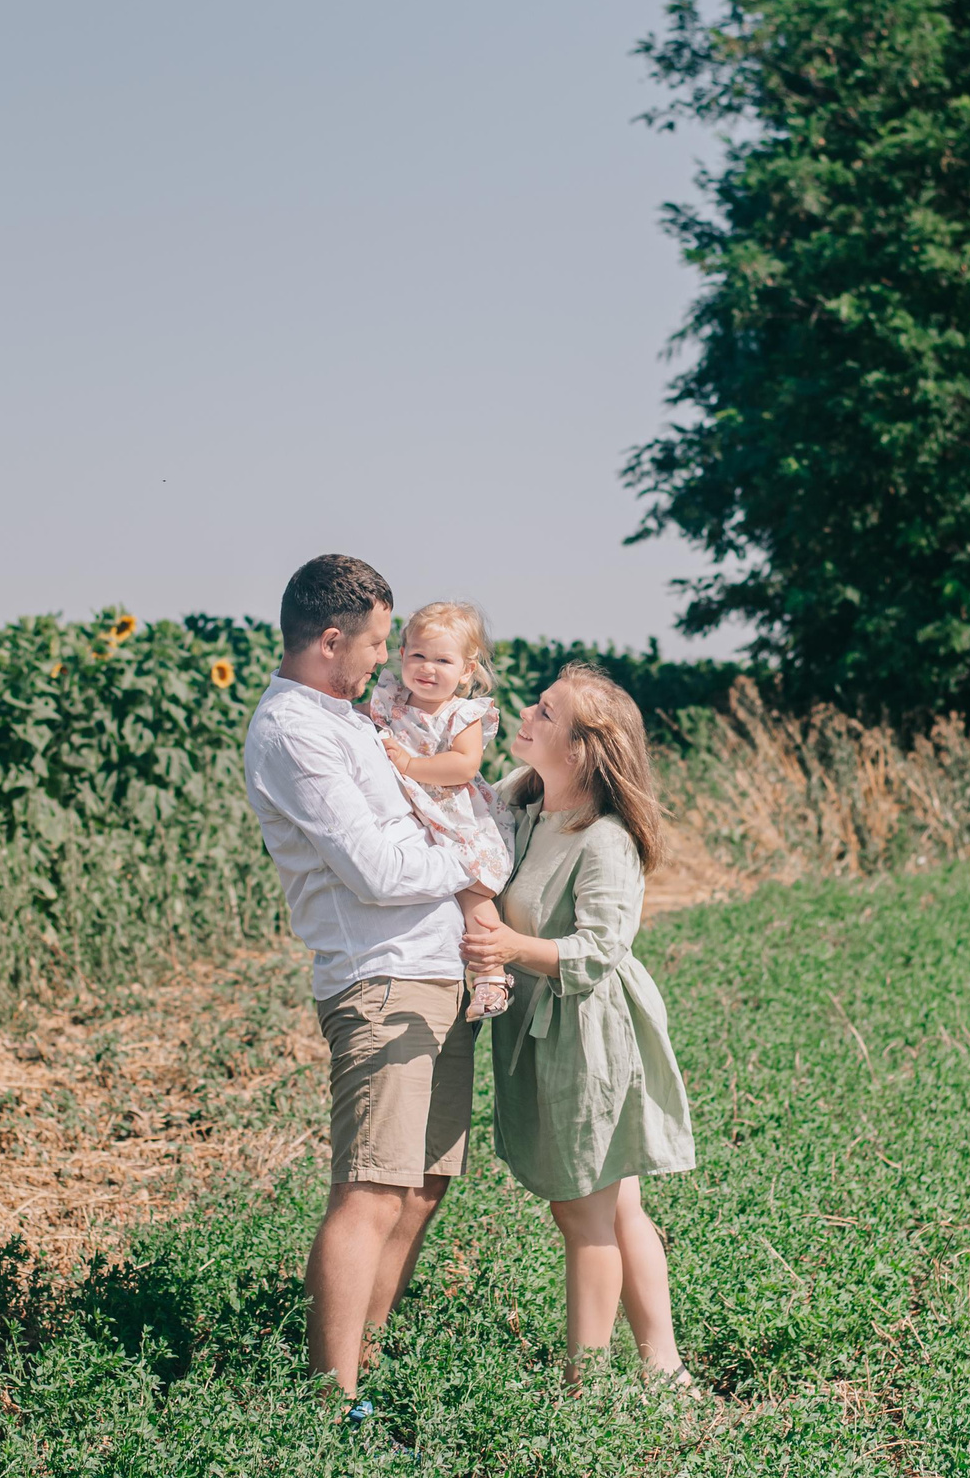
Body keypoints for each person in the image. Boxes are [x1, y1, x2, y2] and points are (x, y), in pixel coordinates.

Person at [242, 554, 478, 1413]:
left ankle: (363, 1366)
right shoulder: (292, 733)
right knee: (372, 1186)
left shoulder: (345, 718)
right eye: (378, 642)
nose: (385, 658)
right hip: (379, 981)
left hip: (434, 971)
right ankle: (331, 1408)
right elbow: (375, 868)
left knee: (420, 1185)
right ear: (331, 638)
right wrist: (472, 860)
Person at [462, 663, 698, 1387]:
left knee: (583, 1215)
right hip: (547, 1031)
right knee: (618, 1201)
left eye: (547, 711)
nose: (527, 714)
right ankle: (666, 1370)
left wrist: (507, 947)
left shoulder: (605, 840)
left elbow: (598, 952)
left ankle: (584, 1390)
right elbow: (454, 801)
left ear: (582, 750)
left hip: (588, 1036)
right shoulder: (527, 804)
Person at [366, 601, 517, 1017]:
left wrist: (412, 766)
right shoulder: (391, 700)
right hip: (415, 817)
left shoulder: (460, 714)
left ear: (467, 671)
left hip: (456, 820)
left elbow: (465, 765)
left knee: (472, 895)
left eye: (442, 660)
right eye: (418, 655)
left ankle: (491, 976)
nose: (427, 668)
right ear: (401, 655)